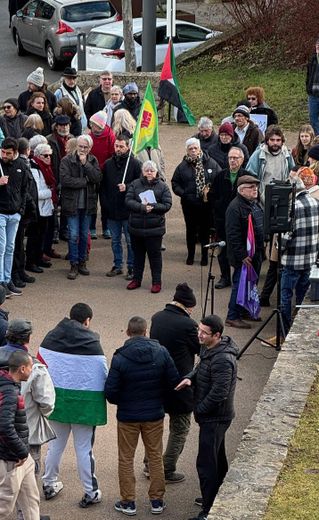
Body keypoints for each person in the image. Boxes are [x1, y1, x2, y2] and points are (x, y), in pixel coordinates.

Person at [105, 316, 180, 516]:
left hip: (128, 416)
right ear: (146, 332)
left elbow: (110, 391)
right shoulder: (161, 352)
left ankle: (128, 501)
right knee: (155, 456)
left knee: (126, 459)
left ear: (128, 332)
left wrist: (123, 401)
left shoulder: (120, 357)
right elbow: (173, 381)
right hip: (154, 414)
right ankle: (157, 500)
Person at [39, 303, 108, 508]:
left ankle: (49, 484)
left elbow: (42, 365)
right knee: (84, 450)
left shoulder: (51, 338)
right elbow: (102, 374)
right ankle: (90, 491)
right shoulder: (93, 344)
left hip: (57, 403)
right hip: (84, 407)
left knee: (55, 446)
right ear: (87, 321)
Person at [176, 314, 238, 520]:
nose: (199, 335)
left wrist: (200, 409)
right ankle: (216, 495)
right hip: (212, 416)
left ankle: (208, 510)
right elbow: (200, 368)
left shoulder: (223, 359)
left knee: (206, 463)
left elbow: (220, 392)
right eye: (199, 330)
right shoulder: (209, 349)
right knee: (217, 458)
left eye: (204, 332)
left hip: (215, 418)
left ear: (217, 335)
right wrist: (189, 378)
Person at [149, 282, 200, 483]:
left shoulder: (157, 318)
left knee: (154, 427)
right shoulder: (188, 325)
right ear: (187, 306)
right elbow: (199, 349)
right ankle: (166, 469)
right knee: (179, 428)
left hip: (157, 381)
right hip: (180, 383)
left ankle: (149, 464)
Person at [0, 319, 56, 486]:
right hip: (26, 431)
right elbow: (47, 402)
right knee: (27, 477)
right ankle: (23, 513)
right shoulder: (34, 367)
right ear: (28, 339)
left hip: (2, 431)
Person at [247, 126, 295, 306]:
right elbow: (251, 177)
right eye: (272, 140)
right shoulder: (258, 155)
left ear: (282, 141)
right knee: (260, 240)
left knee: (275, 245)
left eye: (278, 140)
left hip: (281, 204)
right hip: (261, 203)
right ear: (267, 140)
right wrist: (258, 197)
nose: (275, 143)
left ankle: (266, 291)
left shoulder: (286, 155)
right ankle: (255, 278)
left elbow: (292, 175)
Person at [0, 349, 46, 520]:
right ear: (22, 369)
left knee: (31, 502)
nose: (32, 370)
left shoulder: (10, 385)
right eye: (30, 367)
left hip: (22, 457)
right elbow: (4, 427)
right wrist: (20, 452)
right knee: (4, 506)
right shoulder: (10, 393)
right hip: (12, 459)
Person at [280, 173, 319, 337]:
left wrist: (278, 247)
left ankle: (285, 330)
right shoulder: (314, 202)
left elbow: (287, 236)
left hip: (292, 260)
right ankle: (299, 329)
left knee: (286, 297)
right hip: (309, 258)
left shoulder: (293, 206)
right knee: (302, 296)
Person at [172, 137, 220, 266]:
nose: (193, 151)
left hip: (206, 205)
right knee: (191, 230)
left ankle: (204, 256)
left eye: (195, 148)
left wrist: (211, 193)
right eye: (190, 149)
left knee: (205, 231)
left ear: (199, 149)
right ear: (187, 151)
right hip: (189, 205)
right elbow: (175, 183)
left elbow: (219, 179)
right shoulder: (182, 167)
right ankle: (191, 255)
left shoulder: (211, 163)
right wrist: (184, 194)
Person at [125, 160, 172, 293]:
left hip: (155, 229)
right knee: (138, 256)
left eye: (152, 170)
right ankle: (136, 279)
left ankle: (156, 282)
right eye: (147, 170)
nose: (149, 173)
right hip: (136, 228)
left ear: (156, 172)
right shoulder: (135, 184)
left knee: (155, 257)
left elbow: (167, 204)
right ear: (143, 172)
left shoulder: (163, 186)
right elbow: (128, 201)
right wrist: (142, 207)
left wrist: (154, 207)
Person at [59, 134, 101, 280]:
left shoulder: (92, 160)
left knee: (84, 235)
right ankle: (73, 263)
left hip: (88, 204)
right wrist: (84, 181)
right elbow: (65, 180)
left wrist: (86, 165)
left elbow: (97, 178)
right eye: (80, 146)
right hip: (72, 204)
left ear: (90, 148)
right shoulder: (67, 160)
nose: (82, 150)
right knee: (73, 235)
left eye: (85, 147)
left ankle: (82, 262)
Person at [225, 175, 264, 329]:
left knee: (251, 283)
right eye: (251, 187)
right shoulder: (234, 208)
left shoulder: (253, 203)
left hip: (256, 253)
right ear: (241, 190)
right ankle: (233, 316)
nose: (255, 189)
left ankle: (245, 310)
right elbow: (233, 235)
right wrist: (242, 255)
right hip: (244, 256)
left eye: (256, 187)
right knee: (239, 284)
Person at [100, 135, 141, 279]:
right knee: (115, 240)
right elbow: (102, 187)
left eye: (121, 146)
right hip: (112, 210)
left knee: (130, 241)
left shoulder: (135, 164)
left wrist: (128, 187)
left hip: (128, 210)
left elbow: (140, 184)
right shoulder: (108, 164)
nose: (118, 149)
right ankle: (118, 265)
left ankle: (131, 267)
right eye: (116, 146)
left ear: (128, 147)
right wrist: (105, 205)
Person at [212, 147, 250, 289]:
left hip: (241, 222)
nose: (233, 160)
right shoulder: (220, 176)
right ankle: (225, 277)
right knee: (223, 251)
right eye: (230, 158)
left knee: (240, 250)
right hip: (222, 221)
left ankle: (240, 277)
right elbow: (212, 196)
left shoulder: (247, 177)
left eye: (236, 158)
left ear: (242, 160)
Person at [0, 137, 28, 297]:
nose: (4, 155)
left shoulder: (21, 165)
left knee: (10, 248)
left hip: (14, 213)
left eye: (8, 153)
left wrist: (20, 210)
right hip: (1, 213)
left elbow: (25, 190)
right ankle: (1, 281)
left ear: (15, 153)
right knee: (2, 248)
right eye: (3, 152)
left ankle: (7, 279)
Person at [25, 144, 56, 274]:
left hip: (45, 208)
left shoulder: (46, 168)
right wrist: (51, 192)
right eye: (45, 155)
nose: (48, 158)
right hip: (37, 209)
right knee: (34, 235)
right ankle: (31, 262)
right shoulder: (34, 169)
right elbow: (36, 192)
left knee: (42, 234)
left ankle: (38, 258)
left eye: (50, 155)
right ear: (38, 156)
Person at [12, 138, 38, 288]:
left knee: (19, 245)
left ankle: (20, 271)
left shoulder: (24, 164)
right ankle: (16, 273)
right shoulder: (21, 165)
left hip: (24, 211)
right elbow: (24, 190)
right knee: (15, 246)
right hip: (20, 210)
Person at [88, 110, 116, 239]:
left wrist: (104, 168)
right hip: (92, 172)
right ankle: (92, 227)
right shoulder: (90, 136)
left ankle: (106, 227)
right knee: (92, 201)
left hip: (106, 173)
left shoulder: (111, 136)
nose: (91, 126)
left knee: (106, 202)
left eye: (93, 124)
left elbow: (112, 155)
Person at [306, 38, 319, 136]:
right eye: (317, 44)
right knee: (313, 118)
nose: (318, 46)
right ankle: (317, 138)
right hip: (313, 95)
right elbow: (308, 74)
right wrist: (308, 87)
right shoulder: (313, 59)